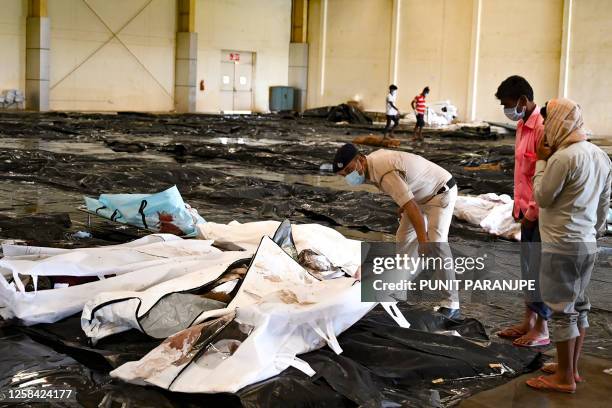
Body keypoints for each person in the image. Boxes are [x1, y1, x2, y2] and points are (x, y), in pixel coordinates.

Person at [526, 98, 611, 394]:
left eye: (548, 121)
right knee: (579, 308)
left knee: (562, 311)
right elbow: (604, 204)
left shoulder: (562, 158)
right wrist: (595, 232)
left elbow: (543, 196)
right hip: (587, 243)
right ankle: (571, 369)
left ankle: (562, 379)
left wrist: (540, 161)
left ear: (559, 121)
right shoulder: (599, 155)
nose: (546, 127)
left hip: (561, 244)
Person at [332, 143, 460, 318]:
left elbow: (412, 207)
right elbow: (407, 194)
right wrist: (405, 204)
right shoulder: (371, 165)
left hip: (440, 194)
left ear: (360, 159)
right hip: (421, 195)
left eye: (349, 170)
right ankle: (399, 288)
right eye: (344, 174)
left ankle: (451, 304)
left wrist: (423, 240)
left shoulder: (383, 171)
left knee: (436, 244)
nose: (348, 176)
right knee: (404, 237)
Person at [494, 76, 551, 348]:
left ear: (523, 101)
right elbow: (522, 172)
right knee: (528, 270)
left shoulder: (542, 128)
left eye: (509, 104)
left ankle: (542, 327)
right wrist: (519, 207)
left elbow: (546, 175)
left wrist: (533, 210)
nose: (508, 110)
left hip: (539, 213)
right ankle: (528, 321)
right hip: (524, 209)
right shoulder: (521, 126)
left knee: (540, 271)